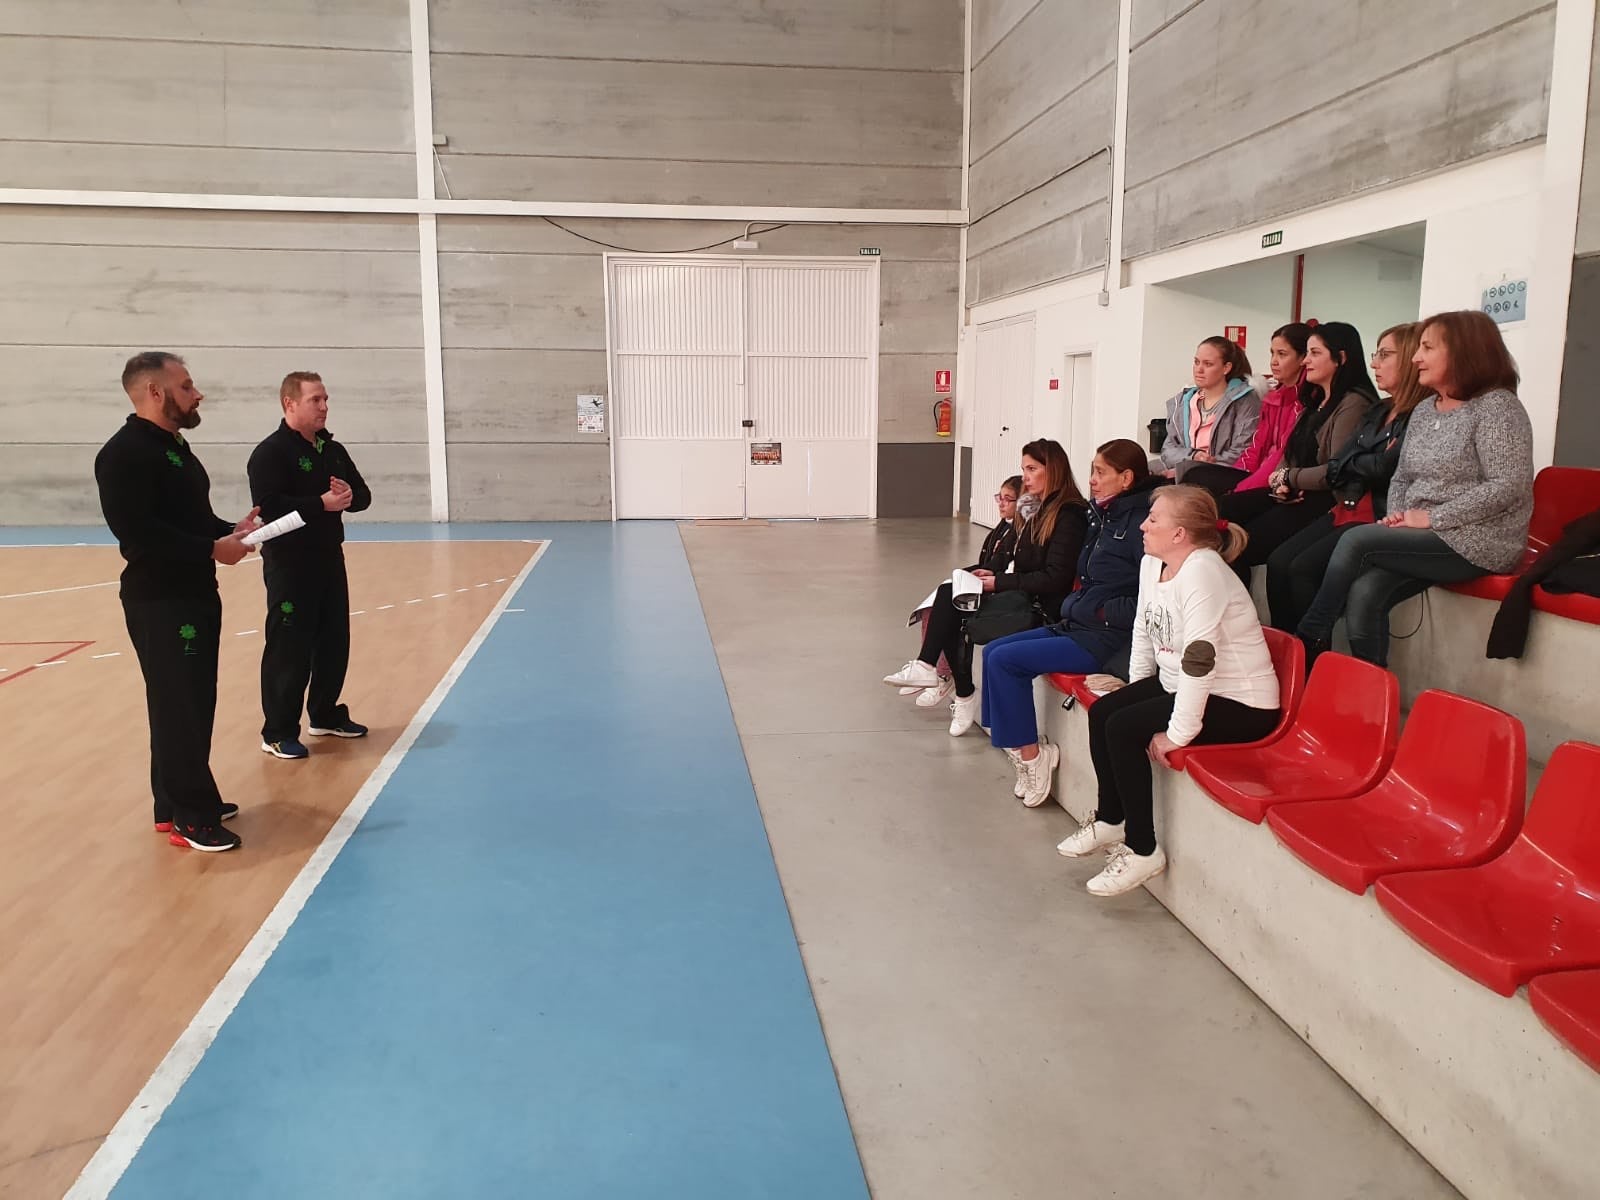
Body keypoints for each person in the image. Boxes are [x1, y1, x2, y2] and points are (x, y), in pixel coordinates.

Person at [1056, 486, 1281, 897]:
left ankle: (1143, 850)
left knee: (1124, 728)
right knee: (1106, 712)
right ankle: (1110, 818)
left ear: (1179, 534)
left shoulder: (1203, 571)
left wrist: (1178, 734)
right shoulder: (1151, 564)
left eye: (1153, 519)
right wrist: (1135, 686)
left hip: (1242, 701)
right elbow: (1145, 629)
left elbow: (1200, 661)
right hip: (1183, 684)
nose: (1143, 524)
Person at [1296, 311, 1534, 665]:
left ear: (1463, 352)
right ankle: (1372, 697)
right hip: (1424, 534)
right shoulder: (1424, 409)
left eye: (1427, 347)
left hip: (1479, 539)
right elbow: (1402, 476)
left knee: (1356, 539)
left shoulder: (1497, 407)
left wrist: (1432, 517)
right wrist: (1397, 517)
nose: (1416, 357)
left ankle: (1311, 632)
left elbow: (1507, 485)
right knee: (1364, 593)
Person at [94, 352, 258, 852]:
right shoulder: (122, 454)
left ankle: (174, 801)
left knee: (190, 700)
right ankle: (192, 816)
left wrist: (230, 530)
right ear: (155, 392)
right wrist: (212, 548)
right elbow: (138, 531)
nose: (197, 393)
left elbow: (188, 517)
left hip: (193, 592)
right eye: (187, 386)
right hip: (161, 600)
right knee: (179, 706)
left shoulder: (174, 446)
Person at [980, 440, 1161, 808]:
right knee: (995, 650)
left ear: (1126, 478)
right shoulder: (1103, 518)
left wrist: (1098, 612)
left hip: (1106, 637)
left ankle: (1032, 757)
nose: (1091, 480)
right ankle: (1021, 749)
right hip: (1078, 622)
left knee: (1004, 661)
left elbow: (1150, 599)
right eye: (1092, 470)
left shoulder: (1140, 527)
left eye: (1100, 472)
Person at [889, 440, 1087, 736]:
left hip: (1041, 608)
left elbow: (1053, 578)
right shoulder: (1036, 508)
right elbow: (1018, 557)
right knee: (951, 590)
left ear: (1054, 469)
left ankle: (950, 682)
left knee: (954, 607)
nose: (1026, 477)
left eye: (1032, 469)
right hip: (1023, 592)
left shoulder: (1068, 514)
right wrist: (992, 572)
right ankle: (938, 674)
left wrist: (998, 582)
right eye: (1024, 469)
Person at [1265, 322, 1424, 632]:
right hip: (1350, 504)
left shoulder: (1413, 412)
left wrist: (1356, 463)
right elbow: (1342, 462)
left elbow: (1380, 467)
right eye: (1376, 354)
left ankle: (1309, 656)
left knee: (1302, 569)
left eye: (1384, 354)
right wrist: (1286, 477)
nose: (1375, 362)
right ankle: (1288, 656)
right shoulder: (1379, 410)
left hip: (1375, 514)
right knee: (1279, 562)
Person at [248, 371, 373, 760]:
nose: (324, 407)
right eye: (315, 400)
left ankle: (325, 714)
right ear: (290, 404)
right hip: (289, 565)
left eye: (325, 399)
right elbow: (269, 507)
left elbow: (363, 496)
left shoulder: (332, 449)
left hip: (329, 559)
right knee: (290, 648)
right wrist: (321, 503)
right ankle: (278, 731)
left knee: (334, 641)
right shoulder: (269, 453)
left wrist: (349, 496)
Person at [1216, 322, 1379, 582]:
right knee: (1219, 511)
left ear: (1341, 358)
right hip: (1292, 490)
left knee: (1241, 546)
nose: (1306, 362)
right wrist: (1281, 479)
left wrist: (1287, 478)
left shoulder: (1353, 403)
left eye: (1314, 354)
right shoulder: (1316, 399)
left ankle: (1249, 618)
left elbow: (1336, 470)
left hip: (1322, 499)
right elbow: (1289, 450)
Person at [896, 476, 1022, 710]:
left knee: (950, 606)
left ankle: (943, 675)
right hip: (992, 581)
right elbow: (991, 562)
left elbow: (1006, 567)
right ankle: (929, 669)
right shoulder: (1003, 528)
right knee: (938, 599)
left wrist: (979, 577)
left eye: (1008, 499)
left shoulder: (1021, 532)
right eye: (1000, 498)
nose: (1001, 504)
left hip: (1006, 594)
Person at [1183, 323, 1310, 496]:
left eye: (1282, 354)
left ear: (1303, 357)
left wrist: (1240, 489)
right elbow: (1255, 448)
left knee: (1199, 482)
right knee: (1191, 475)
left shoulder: (1303, 402)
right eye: (1272, 353)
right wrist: (1238, 478)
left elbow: (1280, 457)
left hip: (1277, 481)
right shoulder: (1273, 397)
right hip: (1256, 474)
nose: (1273, 361)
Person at [1158, 337, 1262, 479]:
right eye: (1196, 362)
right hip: (1182, 474)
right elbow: (1168, 449)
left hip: (1221, 479)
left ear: (1226, 368)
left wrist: (1193, 470)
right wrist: (1193, 456)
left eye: (1208, 364)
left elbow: (1241, 451)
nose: (1199, 369)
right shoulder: (1183, 401)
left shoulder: (1246, 401)